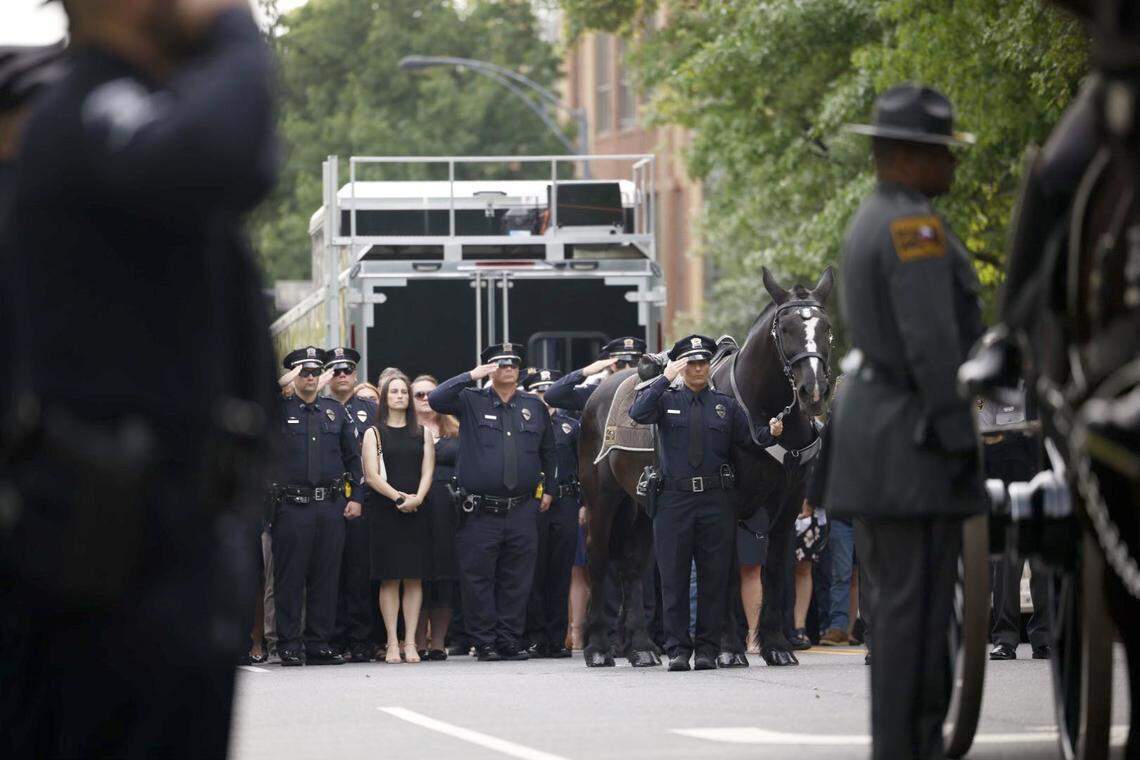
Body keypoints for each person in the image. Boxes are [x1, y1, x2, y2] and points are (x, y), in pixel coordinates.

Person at [3, 0, 279, 754]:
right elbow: (227, 154)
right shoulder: (88, 105)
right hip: (109, 543)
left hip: (170, 538)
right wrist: (233, 28)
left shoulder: (135, 119)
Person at [825, 84, 985, 759]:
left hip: (882, 435)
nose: (952, 166)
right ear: (908, 157)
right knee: (913, 624)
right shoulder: (912, 227)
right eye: (943, 153)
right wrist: (960, 440)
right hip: (911, 443)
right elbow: (931, 345)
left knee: (904, 616)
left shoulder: (876, 217)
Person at [629, 335, 770, 672]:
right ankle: (678, 649)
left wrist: (773, 431)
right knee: (673, 577)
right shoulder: (664, 400)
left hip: (715, 500)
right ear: (681, 366)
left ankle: (707, 648)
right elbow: (638, 412)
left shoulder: (725, 405)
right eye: (690, 363)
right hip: (673, 500)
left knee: (714, 577)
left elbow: (751, 440)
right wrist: (664, 377)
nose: (697, 368)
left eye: (703, 362)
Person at [428, 343, 556, 661]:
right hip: (480, 509)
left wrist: (550, 489)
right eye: (500, 363)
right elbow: (436, 398)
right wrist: (471, 376)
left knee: (517, 578)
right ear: (487, 368)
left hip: (522, 507)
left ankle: (509, 639)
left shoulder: (533, 406)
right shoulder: (471, 400)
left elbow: (550, 452)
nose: (507, 367)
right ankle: (483, 640)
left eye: (513, 363)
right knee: (478, 578)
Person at [273, 347, 364, 667]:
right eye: (304, 372)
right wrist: (289, 376)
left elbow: (353, 458)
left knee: (326, 578)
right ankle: (289, 643)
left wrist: (357, 497)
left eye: (314, 372)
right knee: (290, 578)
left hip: (330, 505)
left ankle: (318, 643)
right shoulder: (281, 409)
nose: (310, 378)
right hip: (293, 506)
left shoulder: (334, 411)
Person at [362, 372, 434, 664]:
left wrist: (417, 497)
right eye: (394, 392)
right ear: (384, 397)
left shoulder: (423, 433)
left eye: (404, 392)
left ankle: (411, 641)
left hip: (418, 509)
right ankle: (392, 641)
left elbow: (429, 470)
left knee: (414, 578)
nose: (400, 396)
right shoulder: (374, 433)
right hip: (386, 510)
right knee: (390, 578)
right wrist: (399, 498)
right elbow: (370, 475)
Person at [979, 387, 1050, 661]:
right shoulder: (995, 385)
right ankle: (1005, 638)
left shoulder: (1041, 383)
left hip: (1042, 480)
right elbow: (984, 435)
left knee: (1043, 562)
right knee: (1007, 565)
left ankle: (1044, 637)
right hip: (1007, 484)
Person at [522, 369, 580, 659]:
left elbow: (585, 467)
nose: (543, 396)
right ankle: (535, 635)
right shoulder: (522, 424)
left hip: (567, 502)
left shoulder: (571, 426)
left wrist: (584, 504)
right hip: (531, 503)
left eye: (548, 390)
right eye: (537, 391)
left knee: (560, 571)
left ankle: (557, 637)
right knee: (532, 570)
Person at [325, 347, 378, 662]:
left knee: (358, 572)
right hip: (329, 498)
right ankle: (334, 636)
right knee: (329, 571)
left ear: (355, 375)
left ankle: (360, 639)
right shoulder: (319, 406)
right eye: (335, 371)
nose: (342, 376)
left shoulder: (369, 409)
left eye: (346, 371)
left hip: (363, 498)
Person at [410, 374, 461, 661]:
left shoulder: (455, 429)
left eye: (432, 393)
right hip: (414, 506)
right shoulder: (402, 430)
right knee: (418, 574)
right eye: (419, 394)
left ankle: (439, 642)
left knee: (444, 575)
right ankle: (417, 641)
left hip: (447, 508)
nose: (426, 399)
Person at [544, 336, 647, 412]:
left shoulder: (651, 390)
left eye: (634, 363)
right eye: (620, 364)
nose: (627, 368)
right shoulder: (597, 394)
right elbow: (552, 396)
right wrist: (583, 372)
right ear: (612, 366)